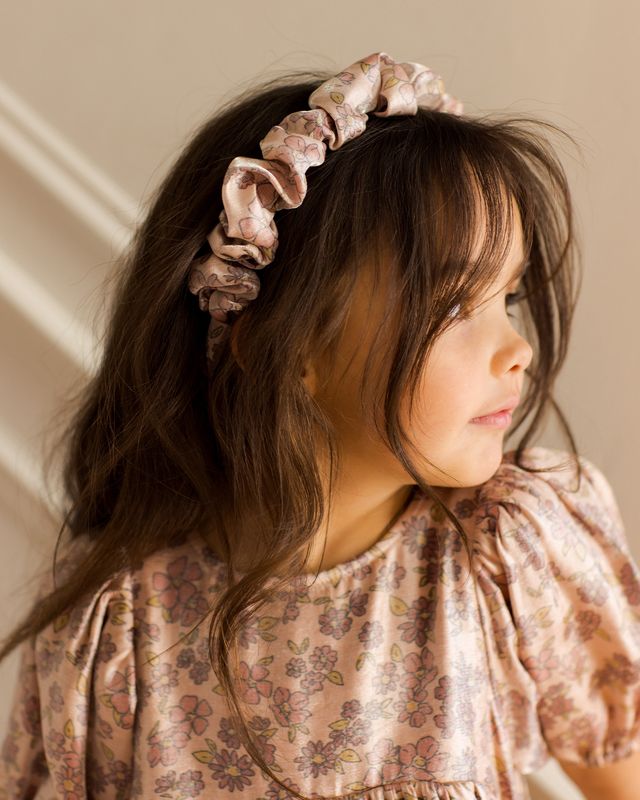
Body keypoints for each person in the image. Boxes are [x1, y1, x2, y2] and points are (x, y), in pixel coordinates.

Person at [0, 51, 638, 800]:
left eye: (512, 297)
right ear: (287, 346)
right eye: (459, 307)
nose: (518, 350)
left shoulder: (507, 553)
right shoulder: (121, 626)